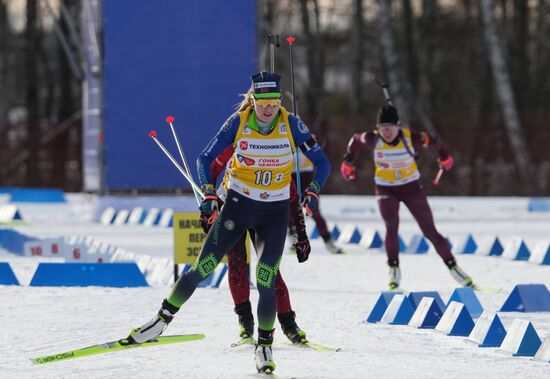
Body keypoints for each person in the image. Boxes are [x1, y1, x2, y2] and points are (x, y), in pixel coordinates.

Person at [128, 72, 331, 374]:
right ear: (253, 100)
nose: (268, 109)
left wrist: (313, 191)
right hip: (238, 207)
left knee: (266, 280)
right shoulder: (239, 121)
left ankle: (264, 346)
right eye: (262, 102)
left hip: (273, 214)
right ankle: (159, 322)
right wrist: (210, 194)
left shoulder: (291, 124)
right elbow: (204, 159)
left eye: (273, 102)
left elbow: (323, 162)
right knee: (202, 269)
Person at [340, 104, 474, 290]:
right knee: (391, 226)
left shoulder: (412, 138)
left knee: (429, 231)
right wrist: (347, 162)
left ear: (398, 126)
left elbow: (434, 141)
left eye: (390, 127)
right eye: (382, 128)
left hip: (411, 188)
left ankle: (454, 268)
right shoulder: (371, 138)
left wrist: (445, 157)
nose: (386, 132)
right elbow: (355, 140)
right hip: (385, 189)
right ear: (377, 128)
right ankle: (393, 270)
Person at [206, 144, 311, 345]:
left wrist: (302, 235)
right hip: (232, 210)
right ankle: (245, 323)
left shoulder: (276, 157)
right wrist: (208, 200)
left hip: (263, 212)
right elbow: (210, 170)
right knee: (237, 263)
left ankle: (289, 324)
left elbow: (293, 198)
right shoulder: (236, 146)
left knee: (270, 269)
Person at [290, 145, 344, 254]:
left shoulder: (304, 138)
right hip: (290, 180)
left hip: (307, 182)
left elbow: (320, 153)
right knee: (289, 212)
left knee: (315, 213)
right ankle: (294, 239)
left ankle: (328, 241)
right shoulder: (284, 139)